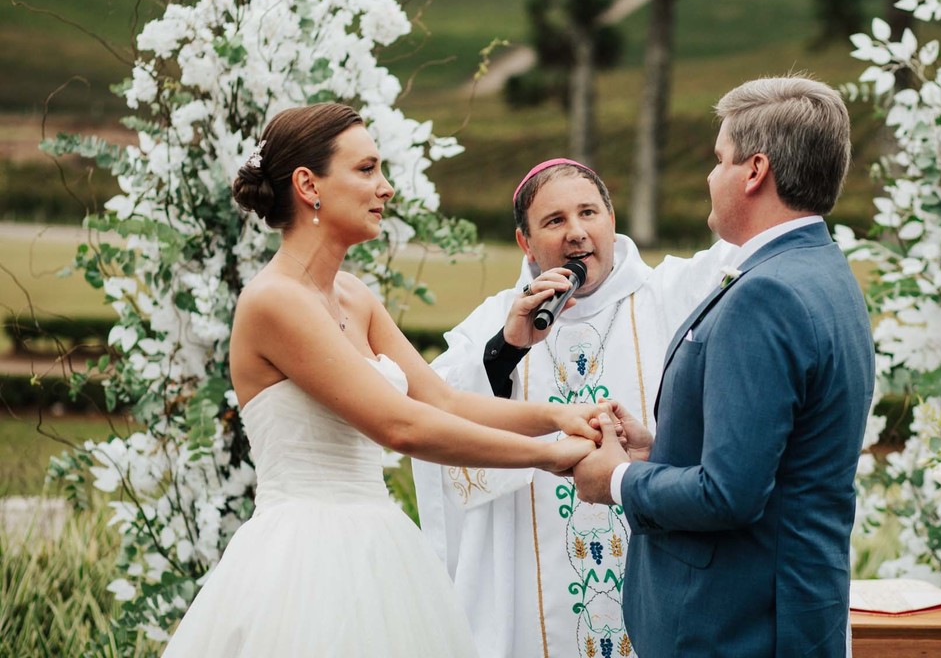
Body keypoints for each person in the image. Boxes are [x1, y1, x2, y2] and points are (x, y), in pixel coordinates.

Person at [161, 103, 602, 658]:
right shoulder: (275, 301)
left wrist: (559, 416)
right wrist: (550, 455)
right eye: (367, 169)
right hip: (305, 559)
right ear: (308, 185)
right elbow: (402, 426)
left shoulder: (353, 294)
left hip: (381, 544)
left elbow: (442, 401)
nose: (386, 187)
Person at [574, 75, 875, 658]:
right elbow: (781, 456)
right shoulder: (823, 270)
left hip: (736, 628)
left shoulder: (767, 294)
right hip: (790, 611)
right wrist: (659, 448)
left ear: (755, 170)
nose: (711, 177)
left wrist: (616, 479)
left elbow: (728, 495)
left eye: (719, 160)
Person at [412, 159, 738, 658]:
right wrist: (506, 350)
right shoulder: (496, 320)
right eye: (554, 221)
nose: (576, 233)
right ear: (525, 242)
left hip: (656, 557)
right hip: (532, 576)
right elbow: (438, 412)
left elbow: (751, 249)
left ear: (612, 220)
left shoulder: (670, 293)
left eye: (588, 213)